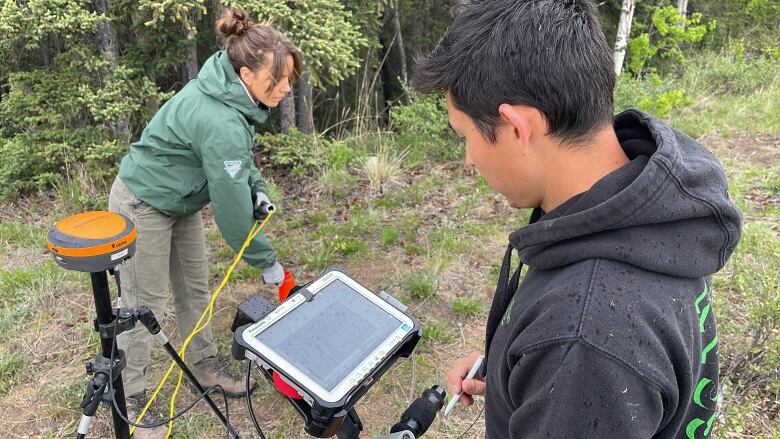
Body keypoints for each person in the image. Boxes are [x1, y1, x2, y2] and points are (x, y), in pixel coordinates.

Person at [410, 0, 742, 438]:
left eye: (465, 136)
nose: (469, 160)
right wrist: (524, 367)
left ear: (516, 127)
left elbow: (589, 342)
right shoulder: (644, 210)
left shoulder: (583, 338)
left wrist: (560, 361)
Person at [108, 8, 301, 438]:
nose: (287, 87)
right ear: (247, 73)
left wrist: (258, 187)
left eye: (289, 77)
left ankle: (205, 364)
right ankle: (131, 393)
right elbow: (232, 213)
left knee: (195, 286)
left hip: (180, 200)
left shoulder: (233, 94)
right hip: (144, 199)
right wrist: (267, 262)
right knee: (144, 301)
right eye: (279, 79)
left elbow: (237, 165)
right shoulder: (219, 116)